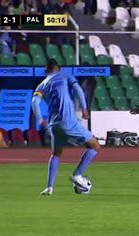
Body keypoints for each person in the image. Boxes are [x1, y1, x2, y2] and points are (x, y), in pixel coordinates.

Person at [32, 59, 101, 196]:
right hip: (68, 121)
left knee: (56, 154)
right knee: (94, 145)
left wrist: (40, 118)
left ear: (47, 70)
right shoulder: (65, 75)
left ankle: (49, 187)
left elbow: (35, 101)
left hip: (54, 125)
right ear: (58, 67)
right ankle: (78, 174)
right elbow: (78, 89)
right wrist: (84, 108)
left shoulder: (42, 84)